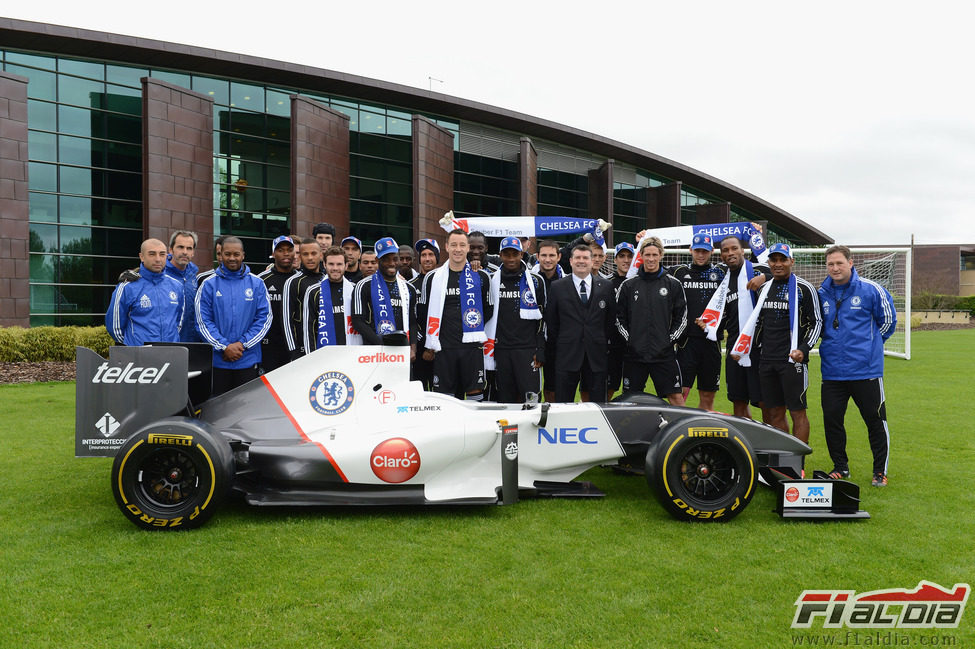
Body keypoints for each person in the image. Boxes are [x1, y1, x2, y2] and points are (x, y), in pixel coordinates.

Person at [818, 245, 896, 487]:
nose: (835, 268)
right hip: (832, 372)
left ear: (851, 263)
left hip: (866, 372)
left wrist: (869, 348)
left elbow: (888, 323)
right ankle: (840, 467)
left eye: (839, 263)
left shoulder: (872, 290)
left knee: (875, 420)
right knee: (832, 421)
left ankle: (879, 471)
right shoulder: (820, 293)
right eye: (831, 264)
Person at [732, 242, 822, 443]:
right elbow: (755, 322)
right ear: (769, 262)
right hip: (767, 360)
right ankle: (782, 460)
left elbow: (817, 323)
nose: (778, 264)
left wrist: (804, 349)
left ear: (792, 261)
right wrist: (744, 348)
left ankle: (798, 465)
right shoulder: (764, 288)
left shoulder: (804, 288)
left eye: (783, 259)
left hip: (792, 361)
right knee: (774, 413)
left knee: (797, 412)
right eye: (774, 260)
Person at [418, 229, 494, 400]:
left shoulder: (481, 276)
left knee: (476, 398)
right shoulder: (432, 278)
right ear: (446, 247)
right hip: (444, 348)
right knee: (445, 399)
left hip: (472, 348)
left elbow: (488, 309)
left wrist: (471, 326)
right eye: (453, 245)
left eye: (461, 245)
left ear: (468, 248)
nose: (457, 249)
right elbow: (422, 312)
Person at [699, 236, 769, 418]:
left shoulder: (757, 270)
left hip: (758, 347)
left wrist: (765, 277)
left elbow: (784, 273)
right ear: (721, 255)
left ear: (742, 251)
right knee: (738, 401)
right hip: (734, 347)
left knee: (765, 403)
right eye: (725, 250)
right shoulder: (724, 279)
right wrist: (709, 323)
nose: (730, 253)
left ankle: (774, 445)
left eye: (734, 248)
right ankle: (746, 445)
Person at [615, 236, 687, 406]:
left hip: (663, 354)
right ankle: (632, 433)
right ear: (641, 255)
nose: (651, 259)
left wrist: (667, 341)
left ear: (661, 255)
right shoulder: (628, 285)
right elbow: (619, 319)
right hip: (634, 355)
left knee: (676, 398)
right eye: (647, 254)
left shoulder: (673, 284)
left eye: (655, 254)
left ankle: (681, 431)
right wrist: (631, 341)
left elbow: (682, 318)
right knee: (629, 401)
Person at [196, 236, 271, 396]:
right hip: (218, 361)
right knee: (217, 410)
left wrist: (242, 344)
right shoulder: (208, 284)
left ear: (243, 255)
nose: (232, 258)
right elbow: (202, 321)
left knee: (245, 409)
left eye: (236, 254)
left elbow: (264, 319)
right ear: (220, 254)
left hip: (247, 359)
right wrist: (224, 346)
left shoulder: (257, 283)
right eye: (227, 254)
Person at [545, 244, 616, 403]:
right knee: (563, 404)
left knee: (597, 404)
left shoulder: (606, 286)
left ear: (592, 262)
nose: (581, 261)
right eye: (577, 257)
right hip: (567, 355)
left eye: (585, 258)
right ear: (570, 261)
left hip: (596, 355)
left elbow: (609, 321)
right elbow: (552, 321)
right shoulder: (558, 287)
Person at [485, 237, 547, 403]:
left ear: (522, 254)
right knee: (505, 400)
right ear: (500, 255)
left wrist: (540, 347)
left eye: (515, 254)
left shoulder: (535, 280)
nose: (511, 258)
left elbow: (543, 317)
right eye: (507, 254)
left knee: (531, 400)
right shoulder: (491, 280)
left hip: (527, 350)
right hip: (501, 349)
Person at [668, 234, 724, 410]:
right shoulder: (678, 272)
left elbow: (753, 270)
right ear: (691, 250)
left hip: (711, 342)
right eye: (698, 251)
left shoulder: (722, 273)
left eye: (705, 251)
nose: (701, 255)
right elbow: (648, 268)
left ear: (712, 252)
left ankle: (703, 433)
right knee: (680, 393)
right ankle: (682, 431)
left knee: (707, 396)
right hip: (686, 342)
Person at [106, 238, 186, 346]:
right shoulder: (127, 287)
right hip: (138, 356)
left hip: (170, 353)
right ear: (142, 257)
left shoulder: (177, 286)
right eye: (152, 254)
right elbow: (114, 327)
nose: (158, 259)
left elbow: (178, 322)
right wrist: (133, 345)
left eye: (162, 254)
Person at [352, 237, 418, 356]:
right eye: (386, 259)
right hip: (374, 353)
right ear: (378, 260)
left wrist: (413, 348)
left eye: (395, 259)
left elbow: (413, 321)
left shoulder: (409, 288)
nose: (392, 263)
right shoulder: (363, 286)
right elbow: (358, 321)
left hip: (402, 352)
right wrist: (382, 343)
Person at [301, 246, 362, 352]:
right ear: (324, 264)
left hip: (352, 354)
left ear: (346, 265)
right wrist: (310, 359)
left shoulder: (355, 290)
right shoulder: (313, 292)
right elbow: (308, 330)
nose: (335, 268)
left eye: (339, 264)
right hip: (324, 355)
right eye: (331, 264)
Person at [258, 235, 297, 372]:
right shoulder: (261, 280)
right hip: (268, 347)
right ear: (273, 254)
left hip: (294, 346)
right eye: (280, 250)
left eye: (289, 250)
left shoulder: (300, 279)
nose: (286, 253)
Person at [532, 240, 563, 403]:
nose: (548, 259)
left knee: (555, 386)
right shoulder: (530, 280)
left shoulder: (567, 280)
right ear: (537, 257)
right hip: (534, 340)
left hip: (559, 341)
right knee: (533, 388)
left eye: (552, 255)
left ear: (559, 257)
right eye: (544, 255)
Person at [282, 239, 325, 358]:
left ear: (321, 255)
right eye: (305, 254)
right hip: (301, 349)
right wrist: (293, 351)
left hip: (326, 346)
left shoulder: (327, 279)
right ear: (300, 257)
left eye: (314, 253)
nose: (310, 257)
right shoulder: (293, 282)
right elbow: (286, 320)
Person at [411, 238, 440, 390]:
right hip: (419, 348)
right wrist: (424, 344)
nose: (427, 258)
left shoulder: (445, 281)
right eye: (423, 255)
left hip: (442, 347)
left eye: (431, 254)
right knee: (420, 391)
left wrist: (433, 347)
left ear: (437, 258)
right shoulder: (410, 284)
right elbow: (411, 318)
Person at [607, 241, 634, 400]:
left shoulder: (641, 282)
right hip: (612, 347)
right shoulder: (606, 283)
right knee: (608, 390)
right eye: (622, 256)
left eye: (630, 256)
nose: (626, 260)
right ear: (615, 260)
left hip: (634, 347)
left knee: (632, 392)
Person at [163, 230, 200, 343]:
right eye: (180, 247)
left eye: (189, 248)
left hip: (193, 343)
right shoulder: (160, 274)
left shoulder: (194, 276)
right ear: (171, 249)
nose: (185, 252)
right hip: (168, 344)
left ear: (193, 252)